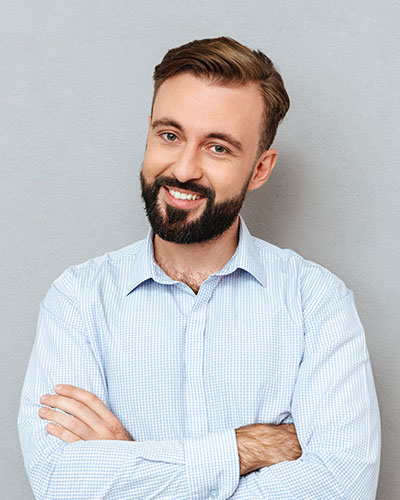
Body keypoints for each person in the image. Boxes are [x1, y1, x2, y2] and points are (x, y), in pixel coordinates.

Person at [18, 36, 380, 499]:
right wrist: (244, 449)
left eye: (218, 148)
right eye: (170, 136)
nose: (184, 169)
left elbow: (342, 485)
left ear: (260, 169)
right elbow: (59, 481)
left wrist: (130, 461)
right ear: (149, 134)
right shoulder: (78, 299)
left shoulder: (317, 301)